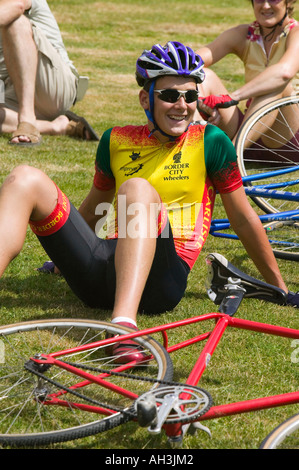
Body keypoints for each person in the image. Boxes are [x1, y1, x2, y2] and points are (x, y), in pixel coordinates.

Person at [0, 41, 297, 365]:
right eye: (170, 95)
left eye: (190, 95)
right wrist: (62, 261)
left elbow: (242, 219)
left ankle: (123, 329)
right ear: (146, 98)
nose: (181, 105)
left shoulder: (212, 141)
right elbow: (93, 210)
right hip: (100, 271)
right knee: (24, 178)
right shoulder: (116, 140)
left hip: (161, 281)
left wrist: (279, 288)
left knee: (136, 189)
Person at [195, 0, 299, 159]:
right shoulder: (244, 34)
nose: (265, 6)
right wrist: (203, 106)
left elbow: (284, 72)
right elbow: (192, 62)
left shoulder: (296, 33)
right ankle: (191, 144)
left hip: (289, 137)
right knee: (202, 75)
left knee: (278, 84)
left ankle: (230, 158)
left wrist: (232, 97)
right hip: (249, 135)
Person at [0, 0, 98, 145]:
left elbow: (18, 5)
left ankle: (27, 121)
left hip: (53, 87)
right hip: (10, 89)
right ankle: (57, 127)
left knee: (15, 21)